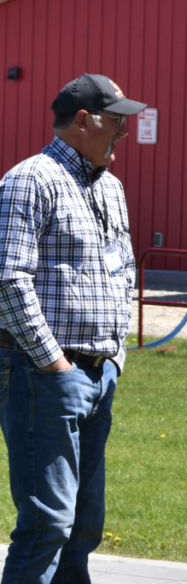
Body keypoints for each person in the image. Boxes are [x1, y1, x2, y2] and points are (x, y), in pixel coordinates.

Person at [0, 73, 147, 583]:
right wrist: (55, 364)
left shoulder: (110, 186)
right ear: (83, 121)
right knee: (47, 523)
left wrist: (115, 355)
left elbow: (123, 268)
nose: (123, 134)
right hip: (45, 376)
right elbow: (7, 281)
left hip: (99, 373)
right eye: (117, 123)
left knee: (84, 524)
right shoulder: (30, 180)